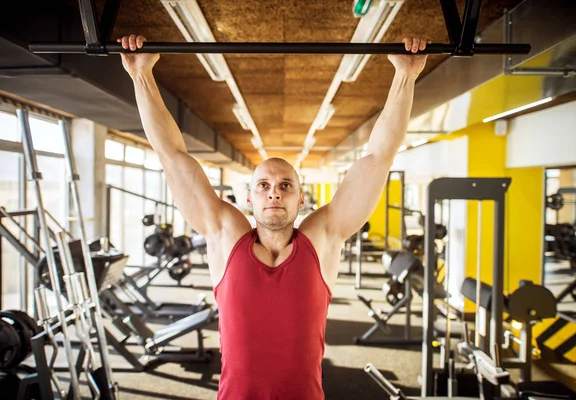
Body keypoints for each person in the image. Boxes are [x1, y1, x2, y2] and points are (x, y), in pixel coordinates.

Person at [118, 34, 429, 400]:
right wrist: (141, 75)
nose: (274, 192)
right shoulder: (226, 234)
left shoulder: (323, 237)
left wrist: (405, 76)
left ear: (300, 199)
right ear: (249, 198)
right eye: (263, 185)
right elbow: (172, 155)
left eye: (285, 185)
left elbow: (378, 158)